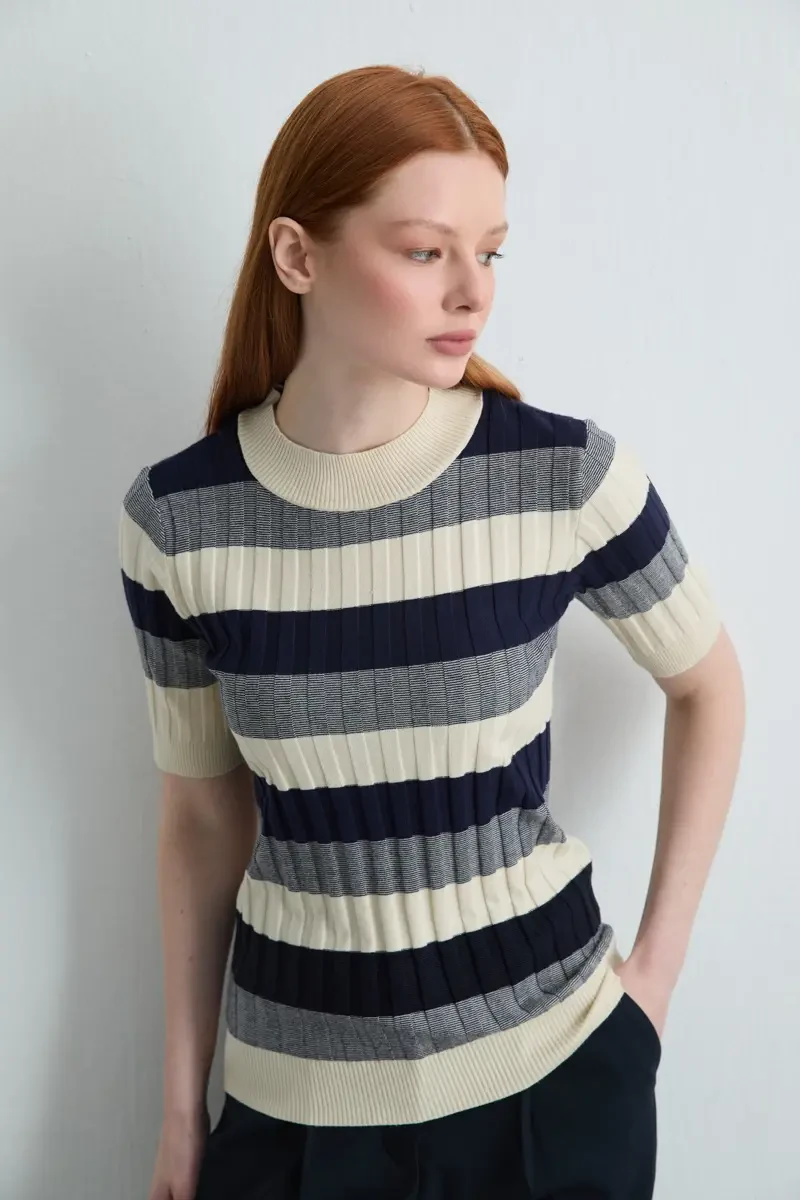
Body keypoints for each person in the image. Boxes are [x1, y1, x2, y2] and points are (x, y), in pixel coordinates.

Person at [118, 64, 745, 1200]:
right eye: (424, 251)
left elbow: (709, 686)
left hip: (553, 1084)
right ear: (296, 256)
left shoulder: (560, 475)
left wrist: (652, 981)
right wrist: (178, 1107)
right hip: (291, 1114)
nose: (472, 293)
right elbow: (201, 816)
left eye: (490, 252)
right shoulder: (178, 520)